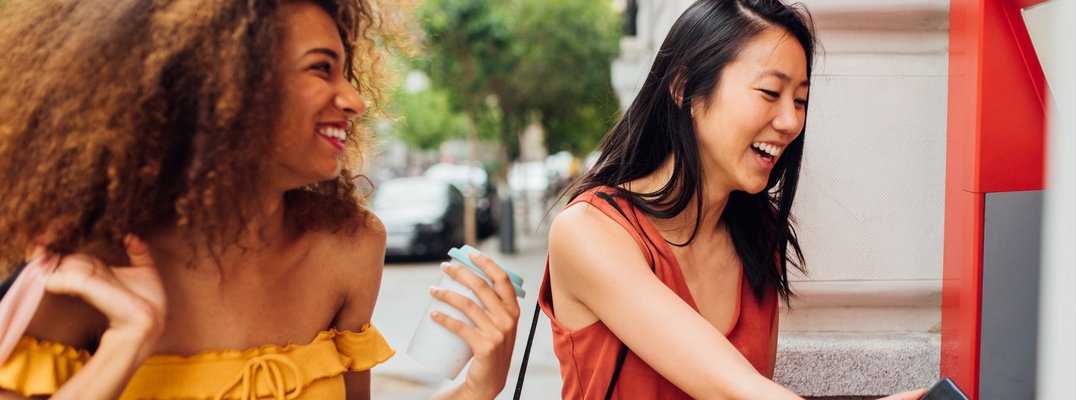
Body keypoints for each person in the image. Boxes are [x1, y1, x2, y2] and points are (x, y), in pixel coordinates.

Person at [0, 0, 519, 399]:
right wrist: (128, 342)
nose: (356, 100)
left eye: (346, 70)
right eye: (321, 68)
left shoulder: (350, 246)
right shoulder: (82, 268)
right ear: (224, 83)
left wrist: (476, 386)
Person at [540, 0, 925, 398]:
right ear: (684, 87)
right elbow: (735, 391)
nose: (791, 121)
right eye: (770, 92)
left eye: (800, 100)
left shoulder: (758, 238)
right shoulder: (589, 231)